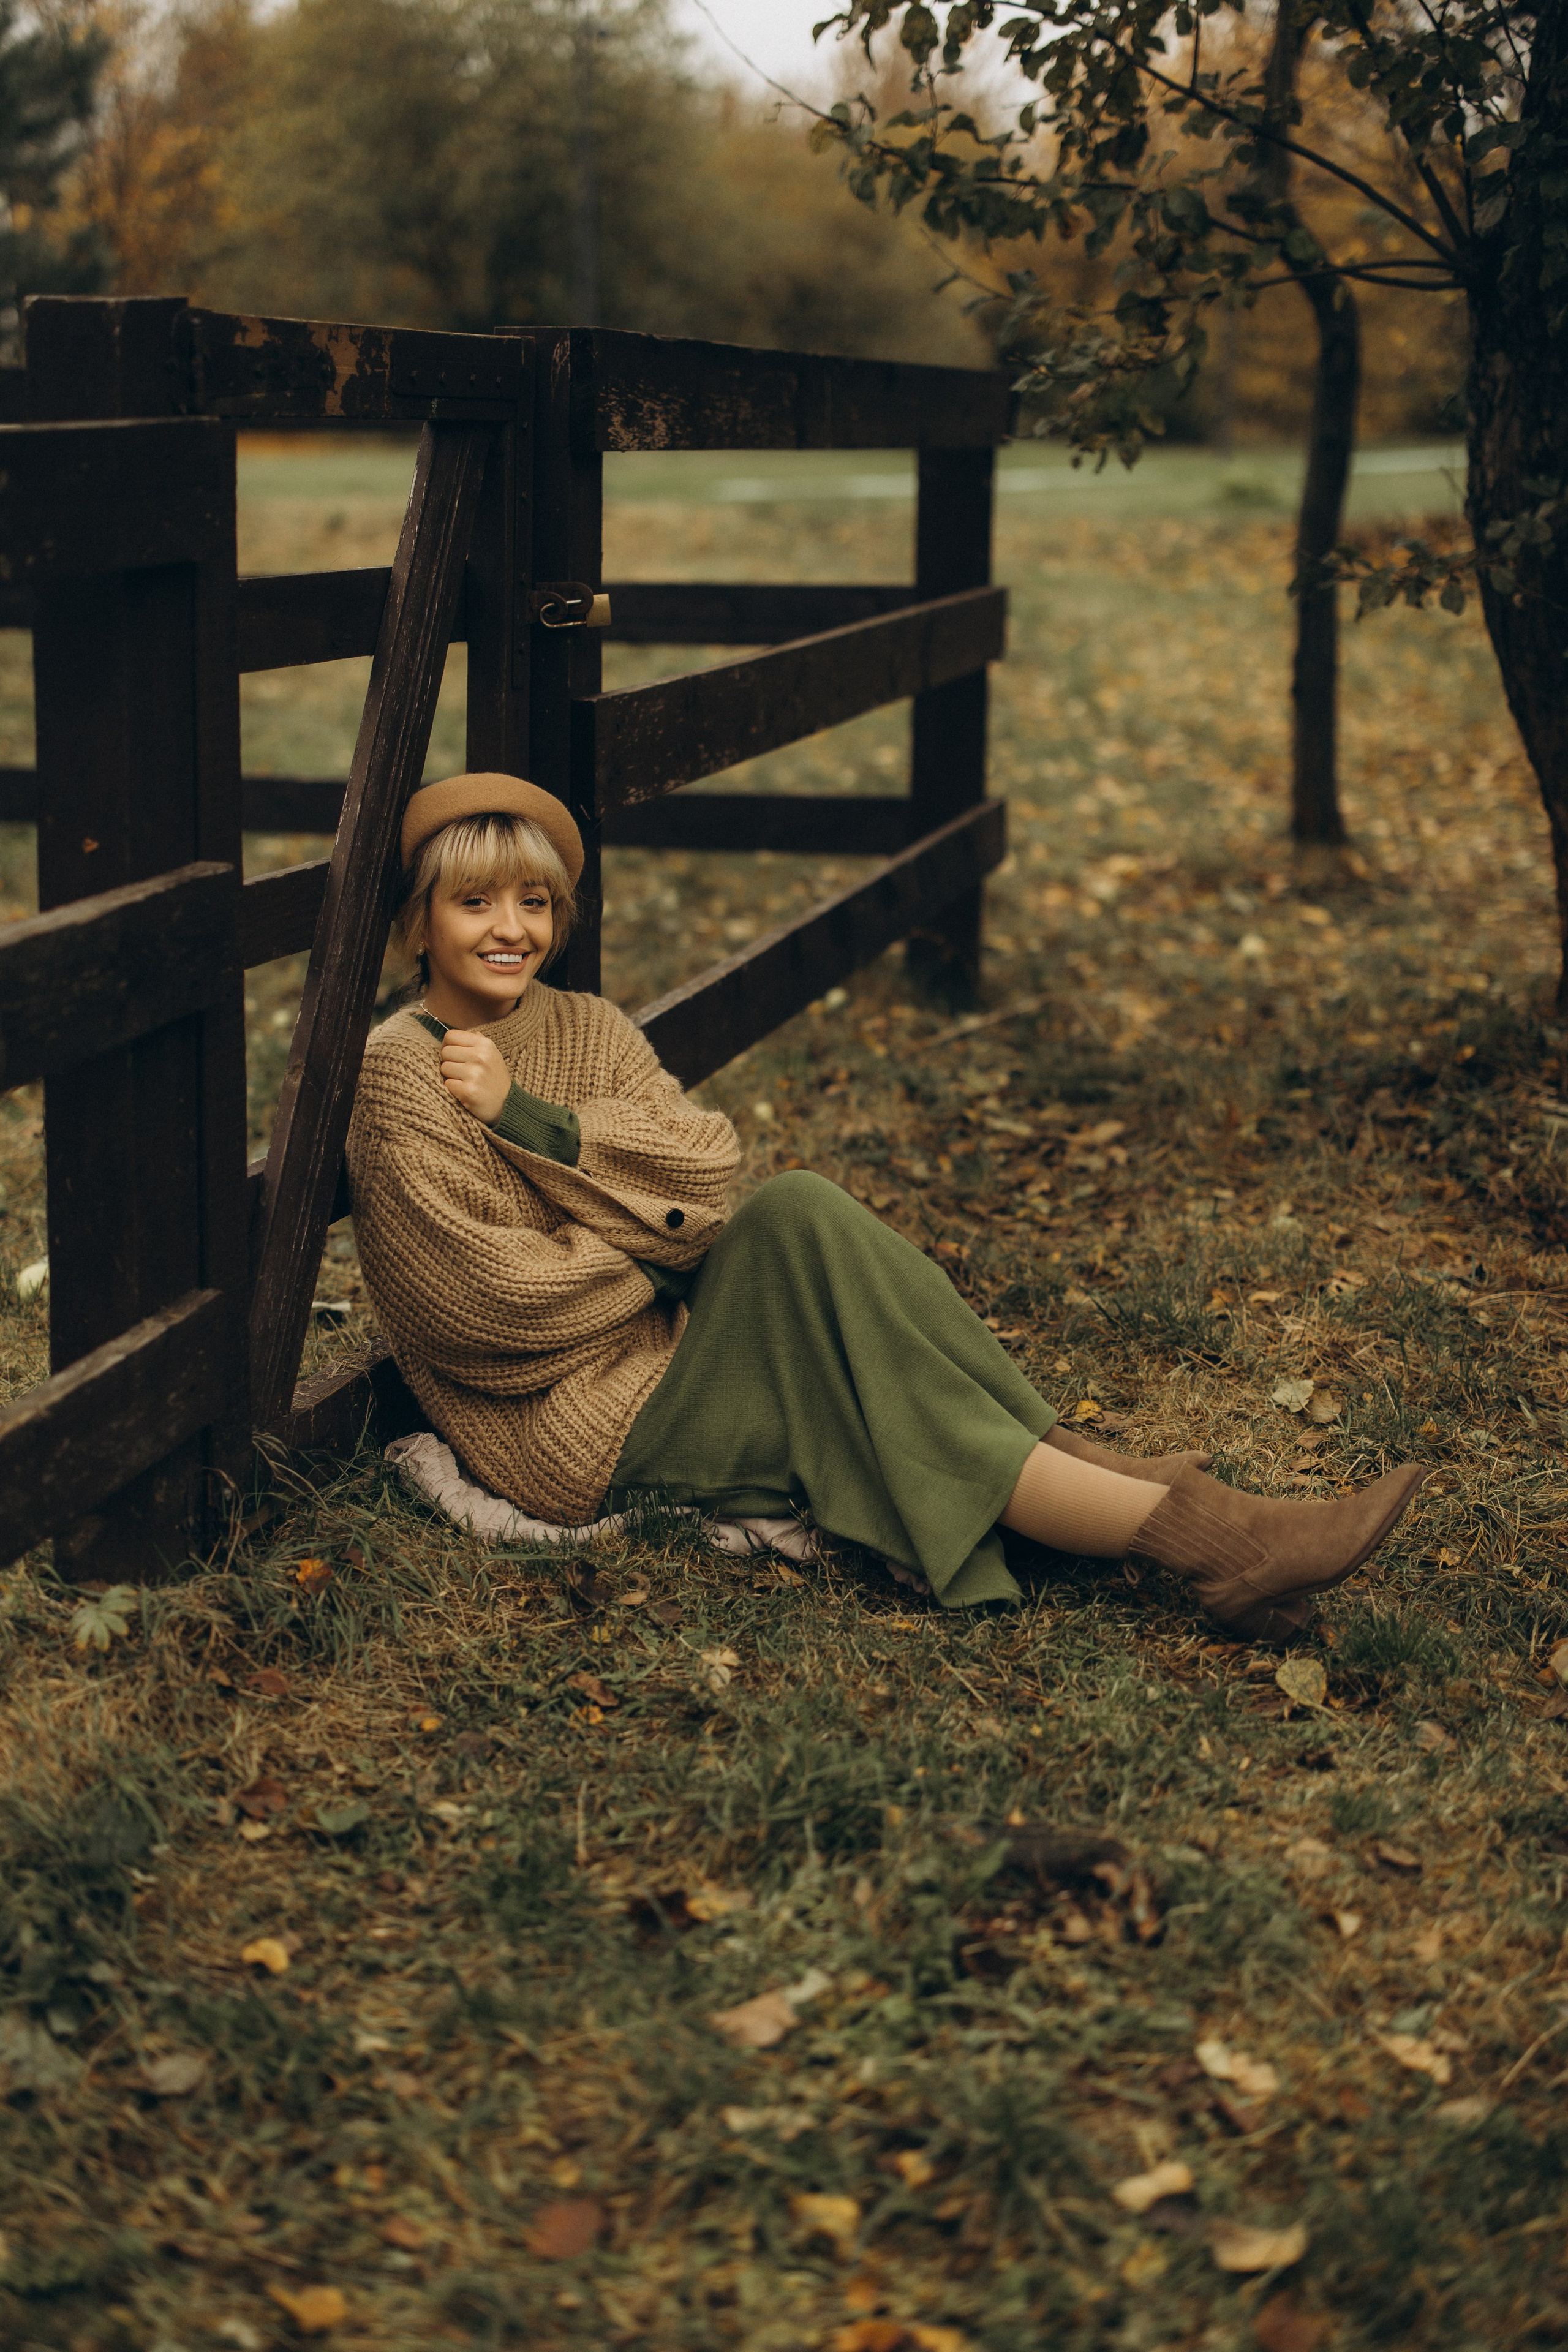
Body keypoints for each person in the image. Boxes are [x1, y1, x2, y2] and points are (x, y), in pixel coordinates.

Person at [347, 772, 1425, 1638]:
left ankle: (1182, 1527)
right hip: (582, 1428)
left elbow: (707, 1176)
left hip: (676, 1346)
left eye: (533, 903)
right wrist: (654, 1256)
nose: (510, 929)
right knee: (855, 1336)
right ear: (420, 921)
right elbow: (485, 1309)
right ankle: (1206, 1532)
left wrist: (540, 1124)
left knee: (798, 1210)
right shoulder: (400, 1073)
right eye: (475, 901)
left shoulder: (585, 1028)